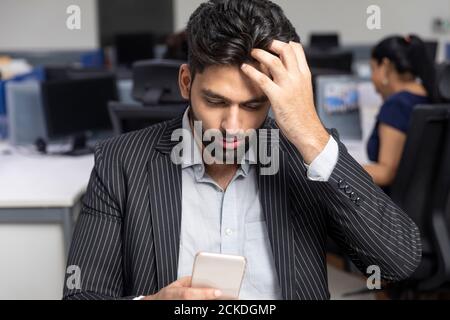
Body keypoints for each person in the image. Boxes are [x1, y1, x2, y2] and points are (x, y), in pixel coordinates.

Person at [63, 0, 421, 300]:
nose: (232, 127)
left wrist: (311, 133)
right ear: (186, 82)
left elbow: (397, 262)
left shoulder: (303, 156)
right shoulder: (120, 162)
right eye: (216, 101)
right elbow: (82, 294)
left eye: (253, 105)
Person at [364, 35, 437, 190]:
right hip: (424, 204)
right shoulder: (431, 97)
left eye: (373, 69)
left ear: (384, 66)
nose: (372, 78)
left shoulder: (397, 105)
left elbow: (386, 173)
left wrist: (339, 169)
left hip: (392, 209)